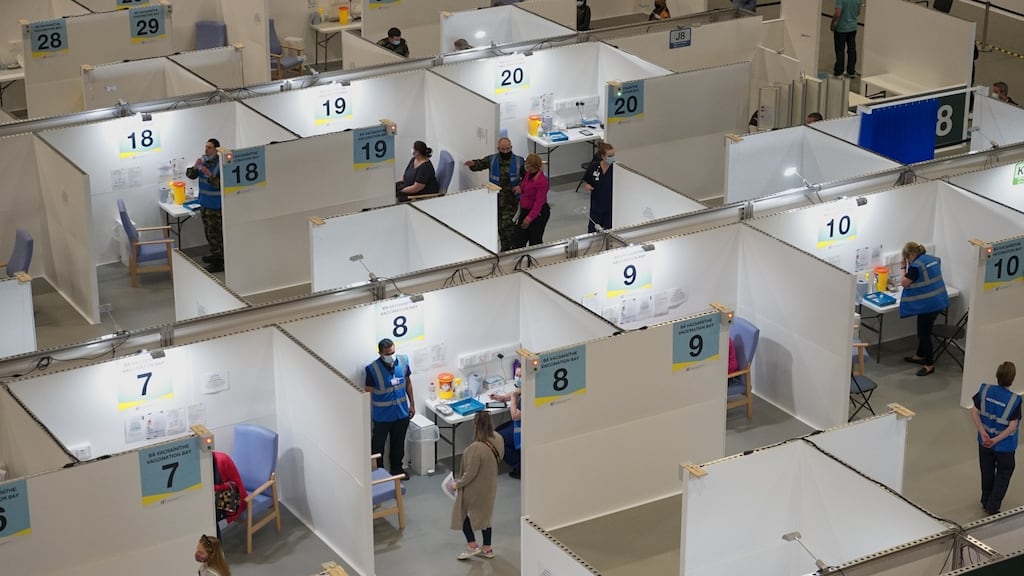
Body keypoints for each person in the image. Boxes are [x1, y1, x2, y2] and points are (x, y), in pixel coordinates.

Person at [448, 412, 504, 560]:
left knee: (462, 512)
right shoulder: (498, 438)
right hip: (490, 484)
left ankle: (472, 544)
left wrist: (457, 484)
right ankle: (487, 547)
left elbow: (470, 473)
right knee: (486, 516)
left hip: (475, 488)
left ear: (475, 425)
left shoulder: (476, 448)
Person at [970, 362, 1020, 515]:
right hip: (1005, 446)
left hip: (984, 442)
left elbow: (974, 412)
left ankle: (985, 499)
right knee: (1003, 474)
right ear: (1012, 379)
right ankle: (992, 506)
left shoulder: (985, 390)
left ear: (997, 375)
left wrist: (982, 432)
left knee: (987, 471)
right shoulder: (1014, 400)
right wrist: (996, 440)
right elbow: (1012, 427)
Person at [365, 338, 415, 477]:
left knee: (398, 444)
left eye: (393, 352)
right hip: (382, 416)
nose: (391, 356)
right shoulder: (372, 369)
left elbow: (408, 383)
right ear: (380, 353)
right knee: (377, 447)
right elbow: (368, 393)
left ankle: (397, 470)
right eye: (387, 354)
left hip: (402, 413)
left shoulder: (403, 361)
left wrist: (412, 404)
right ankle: (379, 475)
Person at [465, 137, 525, 251]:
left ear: (511, 147)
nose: (505, 151)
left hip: (511, 199)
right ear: (498, 149)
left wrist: (520, 186)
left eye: (508, 149)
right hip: (495, 199)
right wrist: (472, 164)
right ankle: (505, 248)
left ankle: (515, 248)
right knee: (500, 226)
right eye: (503, 149)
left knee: (508, 224)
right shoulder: (492, 159)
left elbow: (527, 178)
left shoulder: (519, 161)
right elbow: (480, 164)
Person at [899, 241, 949, 377]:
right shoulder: (932, 259)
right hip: (939, 300)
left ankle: (929, 365)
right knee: (924, 330)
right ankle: (919, 355)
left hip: (928, 305)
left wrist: (903, 267)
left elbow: (904, 283)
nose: (908, 260)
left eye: (907, 258)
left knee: (924, 335)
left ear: (911, 254)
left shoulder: (915, 267)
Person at [186, 138, 223, 273]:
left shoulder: (220, 164)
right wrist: (195, 167)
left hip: (215, 206)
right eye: (205, 147)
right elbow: (191, 176)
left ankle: (219, 262)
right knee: (208, 233)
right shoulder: (203, 161)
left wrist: (210, 176)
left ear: (216, 150)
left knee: (216, 235)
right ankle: (214, 255)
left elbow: (223, 184)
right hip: (204, 203)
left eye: (209, 147)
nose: (206, 150)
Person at [512, 153, 550, 249]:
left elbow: (539, 203)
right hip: (525, 210)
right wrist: (520, 188)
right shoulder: (529, 174)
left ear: (535, 167)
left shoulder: (542, 182)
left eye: (530, 167)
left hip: (538, 213)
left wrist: (529, 218)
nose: (527, 168)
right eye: (527, 165)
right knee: (518, 240)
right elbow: (525, 184)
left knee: (535, 241)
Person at [491, 369, 522, 479]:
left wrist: (513, 397)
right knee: (496, 432)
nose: (518, 378)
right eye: (516, 375)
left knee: (498, 439)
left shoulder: (531, 393)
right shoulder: (523, 388)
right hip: (519, 424)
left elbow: (515, 416)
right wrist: (501, 398)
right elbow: (515, 393)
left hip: (523, 428)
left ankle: (520, 467)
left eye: (520, 376)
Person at [583, 142, 615, 233]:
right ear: (602, 156)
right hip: (596, 204)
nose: (612, 158)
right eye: (609, 156)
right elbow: (587, 181)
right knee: (593, 229)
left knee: (609, 230)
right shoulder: (594, 167)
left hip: (610, 205)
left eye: (613, 155)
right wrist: (588, 186)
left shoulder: (616, 168)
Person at [831, 0, 861, 79]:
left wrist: (832, 23)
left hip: (841, 28)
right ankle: (851, 71)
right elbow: (858, 12)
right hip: (853, 28)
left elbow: (837, 13)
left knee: (840, 50)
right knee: (852, 50)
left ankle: (838, 72)